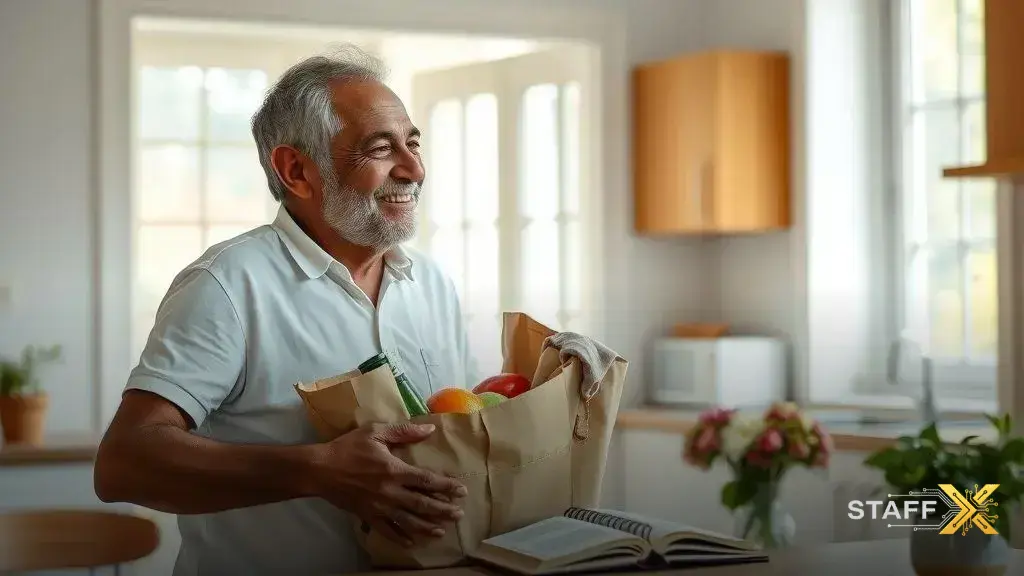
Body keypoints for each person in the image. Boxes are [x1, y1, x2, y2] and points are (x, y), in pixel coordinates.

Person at [94, 45, 608, 576]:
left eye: (412, 143)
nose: (413, 169)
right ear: (297, 170)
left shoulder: (431, 282)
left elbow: (453, 426)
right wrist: (317, 470)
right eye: (381, 148)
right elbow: (125, 464)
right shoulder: (225, 285)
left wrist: (550, 377)